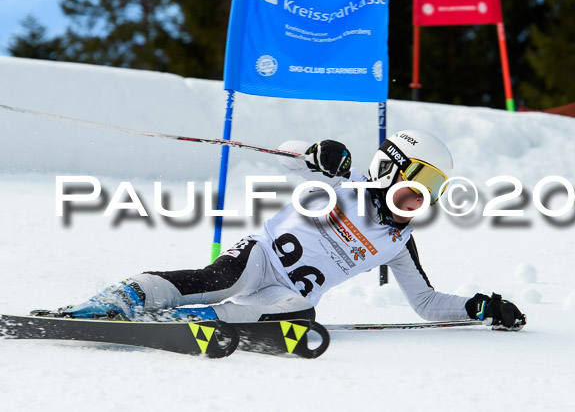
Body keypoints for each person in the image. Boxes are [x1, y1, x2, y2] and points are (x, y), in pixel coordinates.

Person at [49, 130, 525, 330]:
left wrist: (478, 307)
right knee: (223, 281)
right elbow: (287, 154)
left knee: (297, 312)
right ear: (388, 169)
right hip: (259, 257)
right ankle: (127, 297)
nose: (422, 201)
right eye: (417, 185)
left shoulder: (399, 243)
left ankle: (183, 325)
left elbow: (424, 304)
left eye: (433, 192)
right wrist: (314, 152)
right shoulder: (342, 183)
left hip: (286, 295)